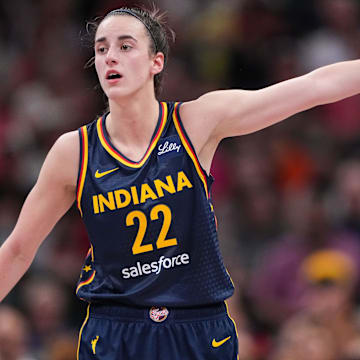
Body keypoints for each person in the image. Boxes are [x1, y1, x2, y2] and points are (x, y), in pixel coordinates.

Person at [1, 5, 360, 360]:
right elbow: (18, 250)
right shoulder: (75, 151)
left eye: (125, 46)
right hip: (116, 329)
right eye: (101, 48)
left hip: (198, 326)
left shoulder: (197, 122)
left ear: (156, 61)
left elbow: (315, 86)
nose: (111, 56)